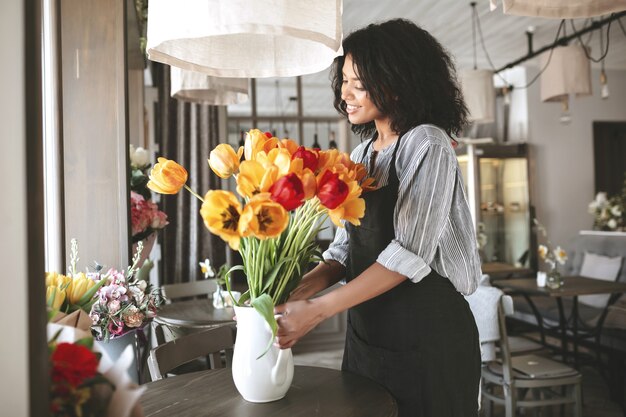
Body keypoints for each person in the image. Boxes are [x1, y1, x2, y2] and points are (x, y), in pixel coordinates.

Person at [274, 18, 482, 417]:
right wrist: (296, 292)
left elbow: (408, 254)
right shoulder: (362, 156)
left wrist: (319, 310)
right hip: (370, 334)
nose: (344, 93)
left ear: (397, 80)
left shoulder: (427, 144)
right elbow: (342, 249)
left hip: (428, 337)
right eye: (344, 80)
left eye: (359, 83)